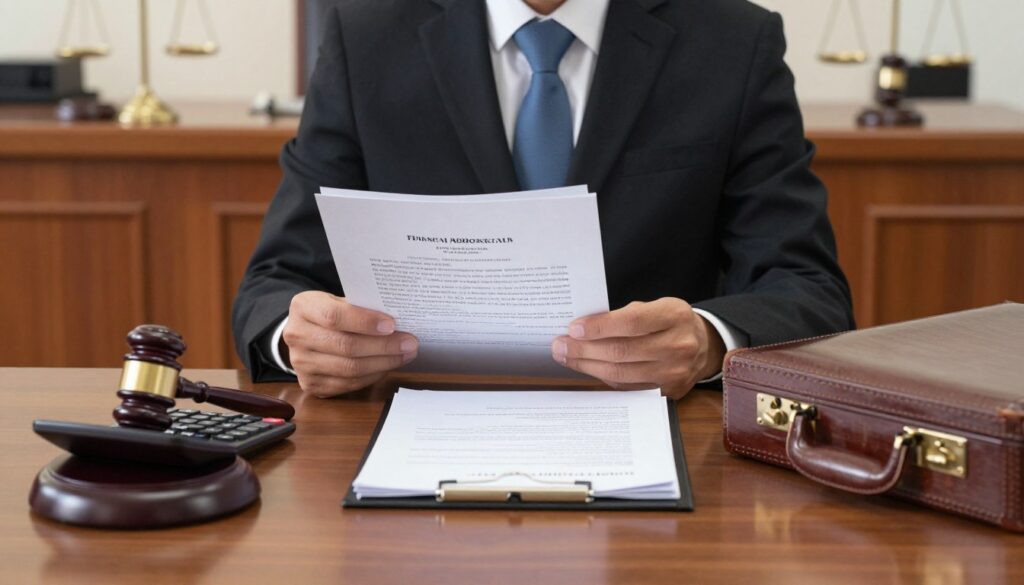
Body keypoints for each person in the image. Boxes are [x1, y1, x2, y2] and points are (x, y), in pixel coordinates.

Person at [232, 0, 854, 399]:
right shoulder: (365, 35)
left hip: (663, 432)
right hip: (409, 426)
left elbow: (808, 289)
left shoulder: (733, 42)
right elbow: (274, 282)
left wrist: (708, 343)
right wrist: (300, 338)